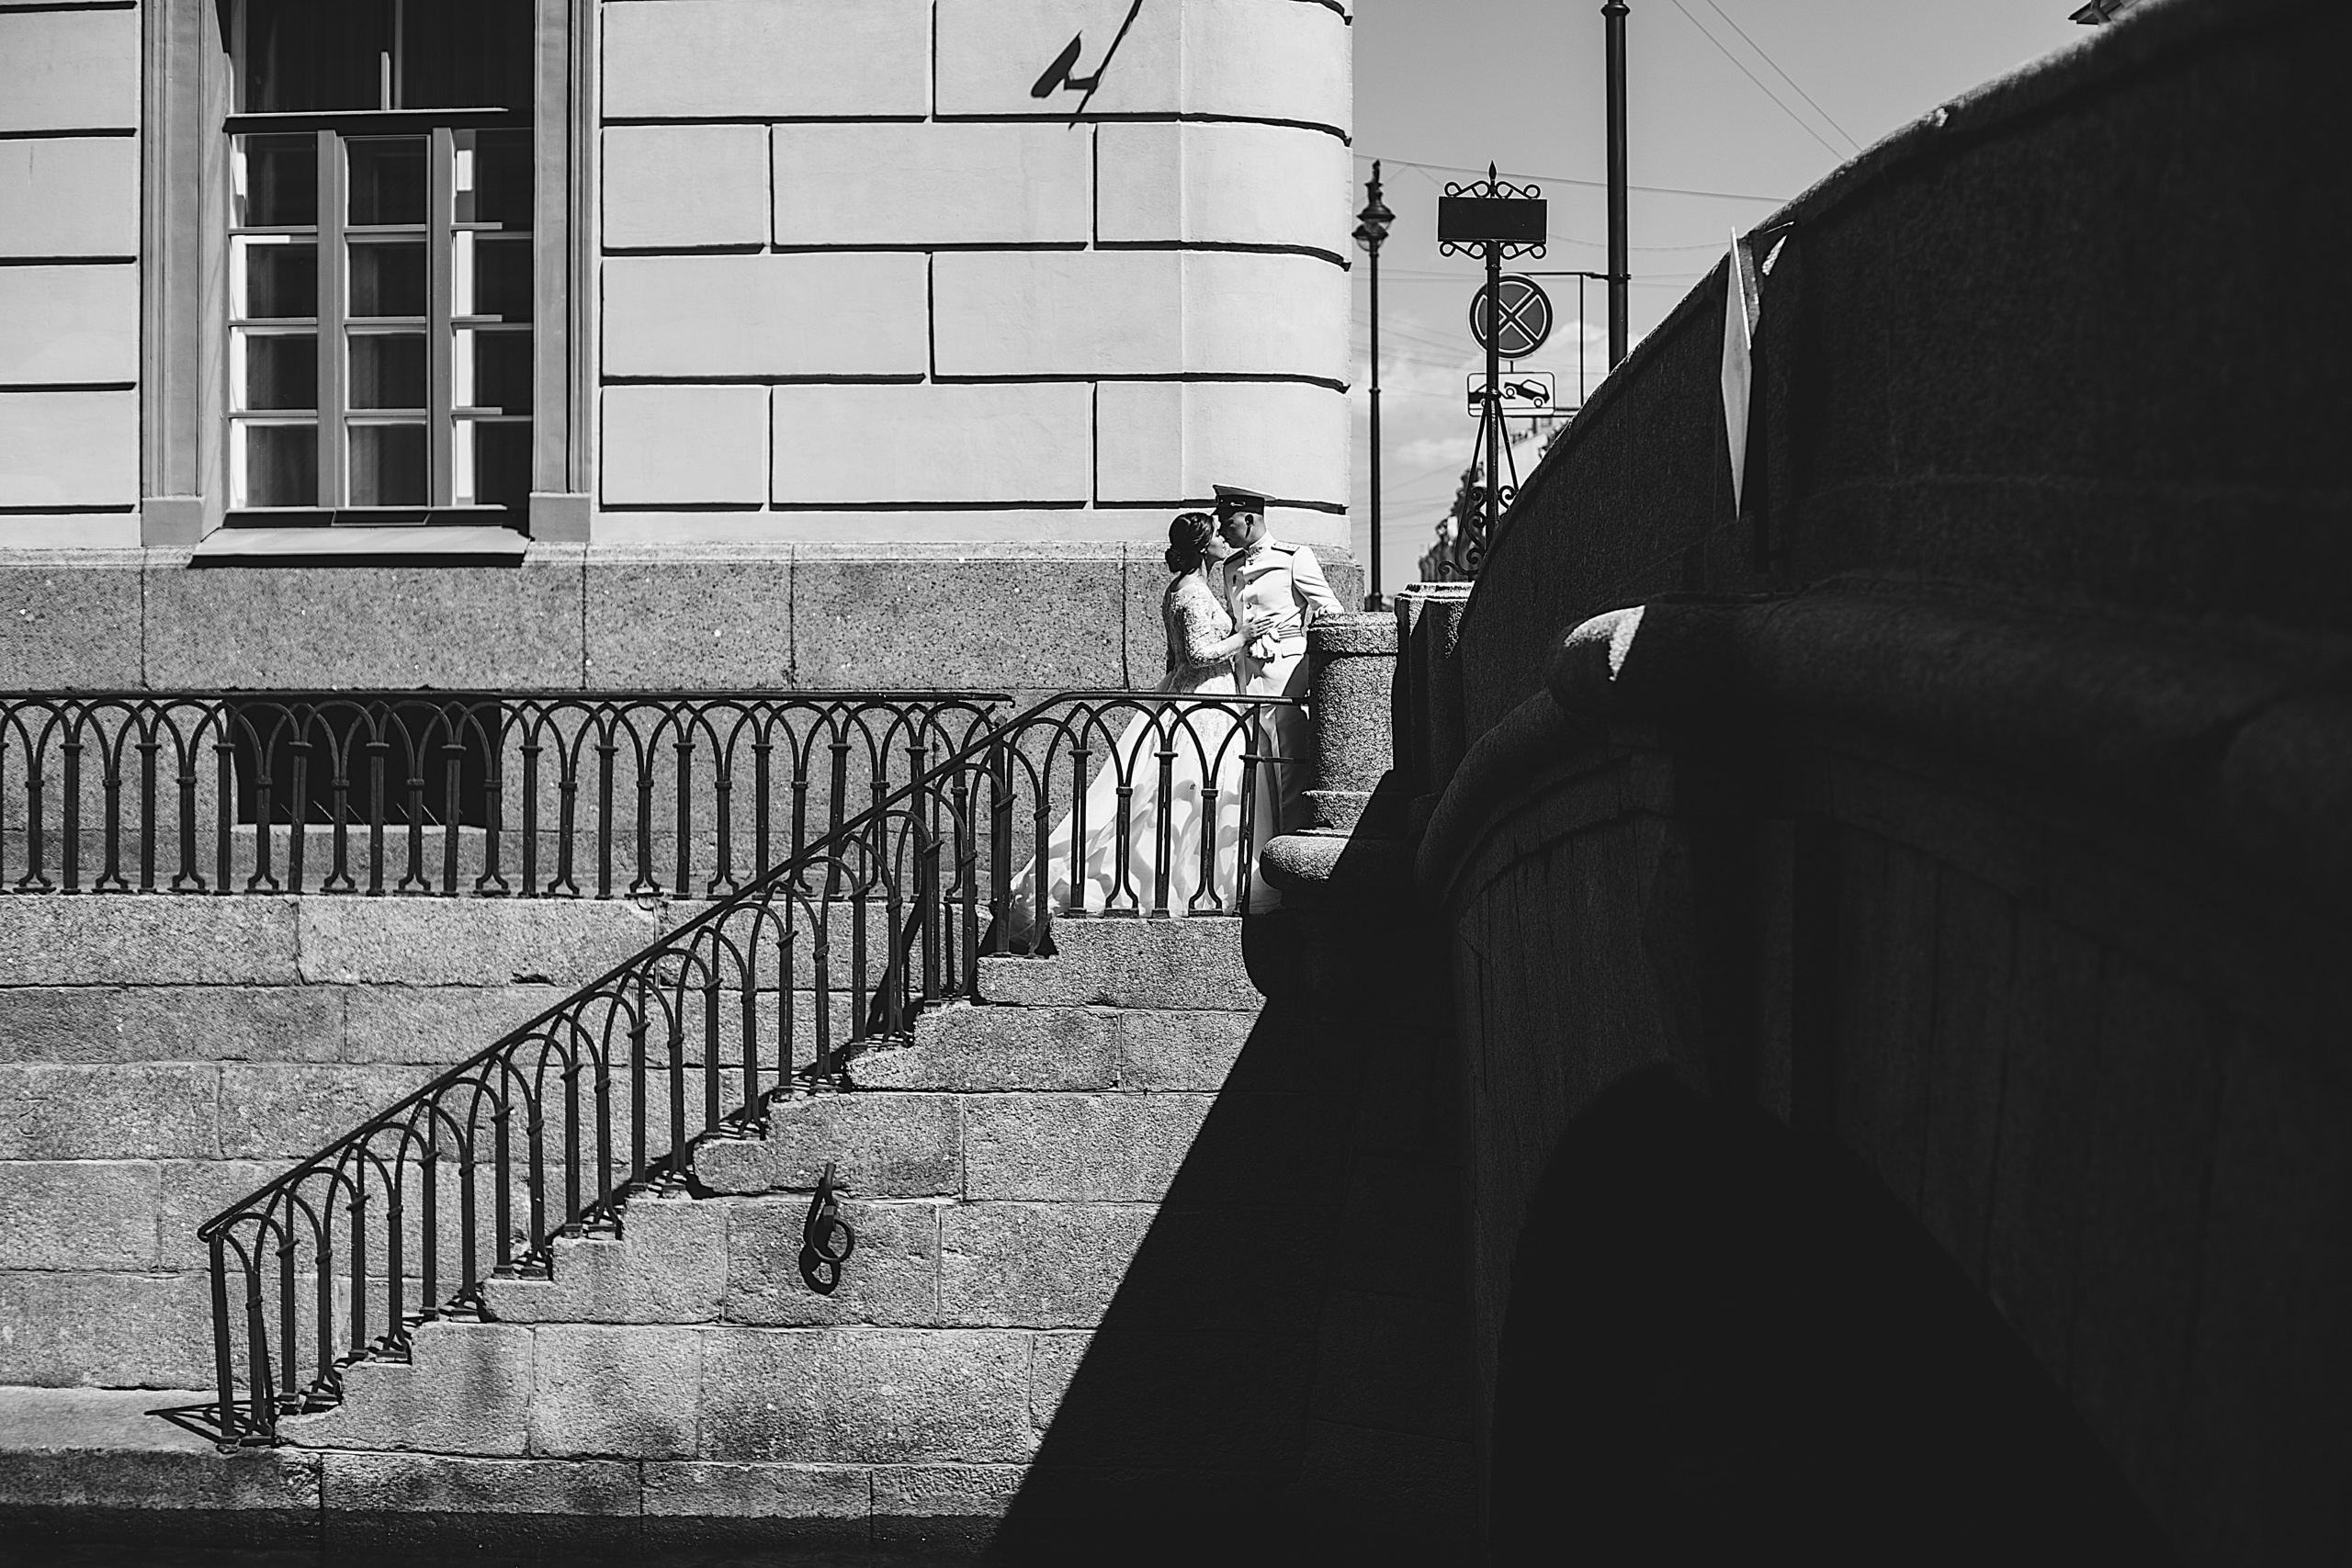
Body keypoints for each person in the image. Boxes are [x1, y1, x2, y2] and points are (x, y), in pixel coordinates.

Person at [1001, 513, 1279, 949]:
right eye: (1217, 535)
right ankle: (1176, 886)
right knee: (1188, 792)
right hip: (1202, 700)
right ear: (1204, 546)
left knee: (1194, 792)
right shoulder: (1188, 593)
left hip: (1201, 695)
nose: (1225, 538)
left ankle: (1200, 880)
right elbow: (1196, 654)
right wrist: (1242, 636)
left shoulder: (1188, 588)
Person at [1215, 484, 1343, 908]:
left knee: (1289, 772)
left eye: (1228, 521)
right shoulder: (1230, 566)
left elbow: (1331, 610)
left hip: (1285, 675)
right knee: (1252, 776)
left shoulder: (1293, 558)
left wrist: (1304, 657)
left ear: (1249, 519)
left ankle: (1290, 874)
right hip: (1244, 678)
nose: (1222, 528)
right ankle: (1257, 872)